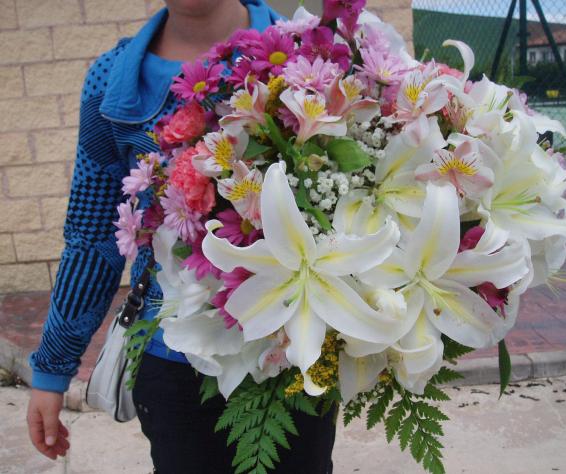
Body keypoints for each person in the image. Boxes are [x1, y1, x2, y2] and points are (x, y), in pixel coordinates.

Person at [26, 1, 337, 472]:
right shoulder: (114, 81)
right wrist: (52, 369)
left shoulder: (305, 52)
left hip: (292, 350)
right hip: (171, 356)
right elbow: (93, 235)